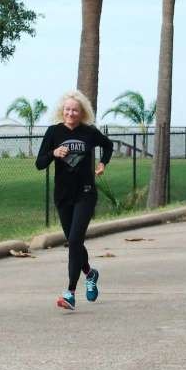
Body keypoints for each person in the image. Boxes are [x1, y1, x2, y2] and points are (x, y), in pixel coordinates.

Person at [35, 89, 114, 310]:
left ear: (82, 113)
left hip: (85, 194)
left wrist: (102, 163)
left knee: (75, 240)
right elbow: (39, 163)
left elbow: (108, 145)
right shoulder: (53, 132)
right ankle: (90, 273)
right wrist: (53, 154)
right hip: (63, 196)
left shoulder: (89, 132)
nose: (71, 113)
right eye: (68, 109)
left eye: (75, 110)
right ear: (63, 110)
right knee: (74, 241)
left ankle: (70, 293)